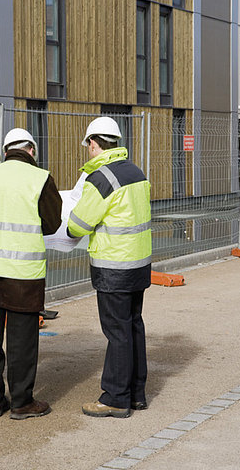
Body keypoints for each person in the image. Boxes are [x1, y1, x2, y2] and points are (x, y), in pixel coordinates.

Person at [0, 128, 62, 419]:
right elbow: (53, 222)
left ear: (5, 151)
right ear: (31, 150)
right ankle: (21, 402)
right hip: (23, 271)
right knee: (22, 337)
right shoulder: (40, 178)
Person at [67, 117, 152, 418]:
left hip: (113, 267)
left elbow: (78, 225)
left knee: (117, 332)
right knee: (133, 326)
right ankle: (136, 394)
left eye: (87, 145)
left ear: (94, 143)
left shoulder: (101, 178)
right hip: (139, 265)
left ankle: (116, 398)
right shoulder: (136, 172)